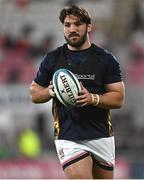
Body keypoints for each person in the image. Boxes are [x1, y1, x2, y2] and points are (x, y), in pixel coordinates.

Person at [30, 5, 125, 179]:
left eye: (78, 24)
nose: (72, 29)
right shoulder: (52, 58)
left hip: (101, 135)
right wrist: (51, 91)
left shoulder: (106, 59)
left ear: (89, 27)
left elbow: (118, 98)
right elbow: (34, 93)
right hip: (69, 137)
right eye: (67, 25)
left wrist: (92, 98)